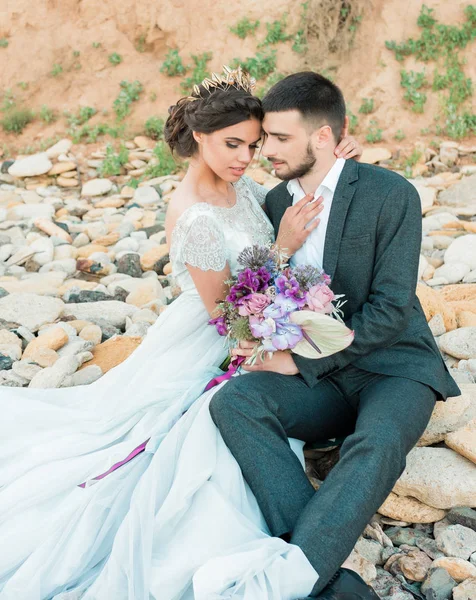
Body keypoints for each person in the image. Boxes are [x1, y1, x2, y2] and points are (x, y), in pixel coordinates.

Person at [0, 68, 362, 599]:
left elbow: (294, 195)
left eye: (254, 145)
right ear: (199, 137)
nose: (244, 157)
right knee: (186, 448)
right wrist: (281, 251)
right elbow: (224, 312)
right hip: (211, 339)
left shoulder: (244, 187)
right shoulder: (192, 215)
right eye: (232, 144)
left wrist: (333, 159)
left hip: (256, 323)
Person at [209, 71, 461, 599]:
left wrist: (298, 362)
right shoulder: (273, 206)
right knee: (235, 402)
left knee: (377, 441)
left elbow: (392, 311)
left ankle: (295, 575)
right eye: (264, 139)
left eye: (278, 139)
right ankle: (323, 580)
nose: (265, 150)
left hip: (393, 367)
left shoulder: (390, 194)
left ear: (323, 137)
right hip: (324, 383)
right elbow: (259, 284)